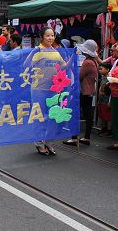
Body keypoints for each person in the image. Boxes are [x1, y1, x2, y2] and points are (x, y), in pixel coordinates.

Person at [29, 27, 67, 156]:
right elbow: (26, 65)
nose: (50, 38)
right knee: (39, 117)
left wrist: (74, 57)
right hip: (39, 89)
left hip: (53, 89)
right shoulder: (37, 50)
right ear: (42, 37)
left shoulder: (56, 52)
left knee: (53, 117)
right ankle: (39, 144)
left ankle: (49, 142)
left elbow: (64, 66)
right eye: (48, 36)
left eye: (52, 35)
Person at [63, 40, 98, 146]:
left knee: (75, 113)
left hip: (82, 91)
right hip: (89, 91)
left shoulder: (87, 62)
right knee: (88, 114)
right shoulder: (93, 61)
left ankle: (74, 138)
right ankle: (86, 137)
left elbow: (78, 76)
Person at [97, 63, 112, 137]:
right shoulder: (103, 77)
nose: (99, 70)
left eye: (101, 69)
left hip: (106, 99)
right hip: (101, 99)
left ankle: (109, 130)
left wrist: (110, 101)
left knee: (107, 115)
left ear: (107, 69)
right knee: (102, 114)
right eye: (99, 69)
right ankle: (104, 128)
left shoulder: (110, 78)